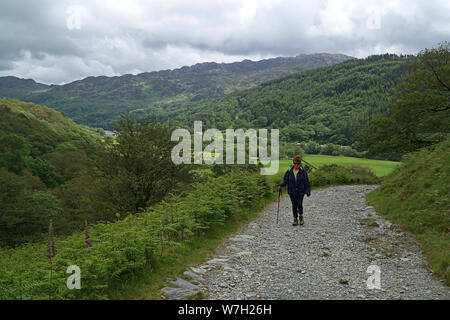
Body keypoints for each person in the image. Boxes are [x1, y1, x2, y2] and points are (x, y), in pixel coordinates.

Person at [278, 155, 311, 226]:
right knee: (294, 205)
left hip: (300, 191)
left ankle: (301, 218)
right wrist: (281, 185)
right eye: (295, 163)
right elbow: (285, 180)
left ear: (300, 164)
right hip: (292, 191)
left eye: (298, 164)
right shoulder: (289, 171)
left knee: (299, 205)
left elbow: (306, 181)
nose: (296, 165)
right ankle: (295, 219)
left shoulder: (303, 171)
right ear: (293, 163)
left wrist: (308, 190)